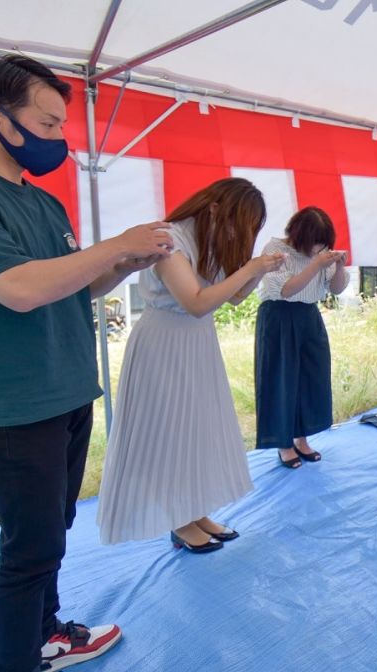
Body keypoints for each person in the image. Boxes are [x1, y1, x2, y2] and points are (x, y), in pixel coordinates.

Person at [0, 55, 172, 672]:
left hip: (68, 390)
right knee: (28, 552)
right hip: (12, 403)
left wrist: (124, 265)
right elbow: (19, 289)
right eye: (48, 124)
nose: (60, 140)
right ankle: (14, 660)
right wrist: (116, 244)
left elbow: (70, 285)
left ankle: (47, 633)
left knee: (51, 535)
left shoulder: (45, 204)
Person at [96, 178, 283, 553]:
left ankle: (195, 511)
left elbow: (233, 297)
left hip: (197, 342)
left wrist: (260, 269)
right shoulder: (169, 240)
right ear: (214, 209)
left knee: (198, 429)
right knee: (171, 430)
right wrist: (251, 268)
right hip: (163, 343)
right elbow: (195, 301)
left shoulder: (207, 240)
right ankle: (178, 520)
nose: (236, 234)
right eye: (238, 224)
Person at [255, 206, 349, 467]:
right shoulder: (275, 250)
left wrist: (338, 267)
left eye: (322, 245)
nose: (318, 249)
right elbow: (286, 289)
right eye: (314, 244)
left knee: (311, 378)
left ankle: (301, 437)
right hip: (279, 317)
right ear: (299, 237)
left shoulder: (320, 253)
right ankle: (283, 443)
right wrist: (316, 264)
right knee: (282, 380)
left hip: (309, 316)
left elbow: (337, 289)